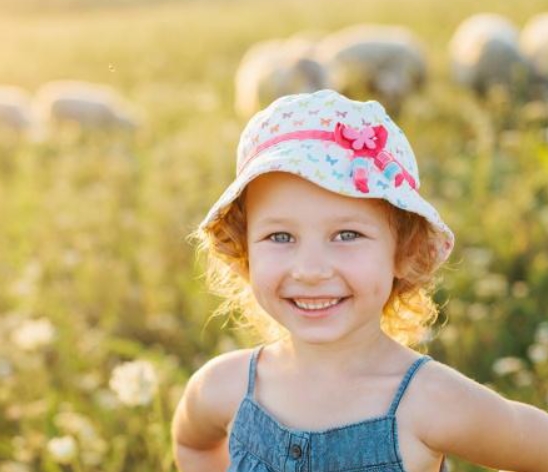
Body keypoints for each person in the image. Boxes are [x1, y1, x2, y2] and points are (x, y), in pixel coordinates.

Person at [171, 89, 548, 472]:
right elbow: (194, 444)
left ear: (404, 251)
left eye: (347, 235)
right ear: (245, 253)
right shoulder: (223, 387)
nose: (311, 270)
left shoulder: (431, 401)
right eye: (280, 237)